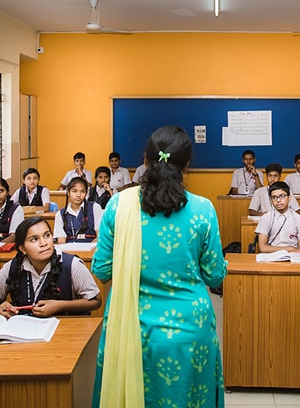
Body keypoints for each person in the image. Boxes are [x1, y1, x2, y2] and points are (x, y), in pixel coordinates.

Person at [91, 125, 227, 408]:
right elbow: (215, 274)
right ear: (187, 165)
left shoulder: (118, 206)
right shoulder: (203, 210)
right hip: (191, 330)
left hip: (132, 329)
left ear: (145, 161)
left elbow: (102, 271)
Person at [0, 216, 101, 317]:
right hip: (23, 331)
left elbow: (95, 300)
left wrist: (60, 305)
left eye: (47, 235)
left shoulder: (72, 265)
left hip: (64, 331)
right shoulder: (12, 267)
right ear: (23, 248)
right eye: (34, 239)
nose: (44, 243)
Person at [255, 181, 300, 253]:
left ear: (289, 197)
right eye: (274, 197)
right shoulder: (266, 218)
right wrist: (290, 249)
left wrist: (287, 254)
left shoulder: (299, 219)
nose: (278, 200)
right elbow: (263, 248)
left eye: (282, 196)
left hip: (293, 258)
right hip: (271, 257)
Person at [53, 177, 103, 243]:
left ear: (86, 193)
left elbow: (100, 237)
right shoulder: (60, 214)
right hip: (69, 250)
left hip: (91, 249)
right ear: (68, 193)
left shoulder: (95, 208)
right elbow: (61, 242)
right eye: (74, 191)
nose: (78, 195)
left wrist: (88, 249)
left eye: (82, 191)